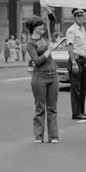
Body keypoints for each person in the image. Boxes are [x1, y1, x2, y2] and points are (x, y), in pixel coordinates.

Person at [24, 15, 61, 144]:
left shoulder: (46, 36)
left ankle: (53, 136)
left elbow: (52, 22)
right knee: (40, 107)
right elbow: (37, 61)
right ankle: (39, 136)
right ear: (34, 28)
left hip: (52, 75)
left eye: (42, 26)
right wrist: (48, 51)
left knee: (52, 108)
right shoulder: (30, 44)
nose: (42, 28)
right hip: (40, 76)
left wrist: (50, 14)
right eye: (40, 26)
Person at [66, 8, 86, 120]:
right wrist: (73, 62)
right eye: (78, 16)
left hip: (83, 60)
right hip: (76, 60)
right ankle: (76, 113)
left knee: (83, 88)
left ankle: (81, 111)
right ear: (74, 17)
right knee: (76, 88)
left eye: (82, 16)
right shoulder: (72, 30)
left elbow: (83, 47)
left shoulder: (82, 29)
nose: (80, 18)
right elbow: (70, 46)